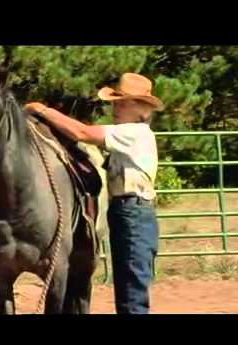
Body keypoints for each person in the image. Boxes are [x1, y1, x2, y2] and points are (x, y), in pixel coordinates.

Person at [24, 73, 163, 314]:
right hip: (131, 213)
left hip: (133, 213)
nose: (115, 108)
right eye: (115, 102)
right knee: (129, 288)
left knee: (131, 296)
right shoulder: (134, 134)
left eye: (122, 102)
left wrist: (43, 111)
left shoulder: (132, 133)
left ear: (141, 108)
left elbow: (82, 133)